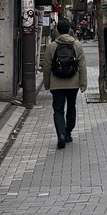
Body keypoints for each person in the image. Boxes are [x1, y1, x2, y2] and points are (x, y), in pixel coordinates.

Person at [42, 20, 87, 149]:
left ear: (57, 30)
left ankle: (61, 134)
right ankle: (68, 133)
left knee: (58, 110)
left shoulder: (52, 46)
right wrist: (83, 83)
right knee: (71, 107)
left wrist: (47, 83)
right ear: (69, 30)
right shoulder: (77, 45)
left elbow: (46, 66)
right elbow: (82, 65)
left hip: (56, 84)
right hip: (73, 83)